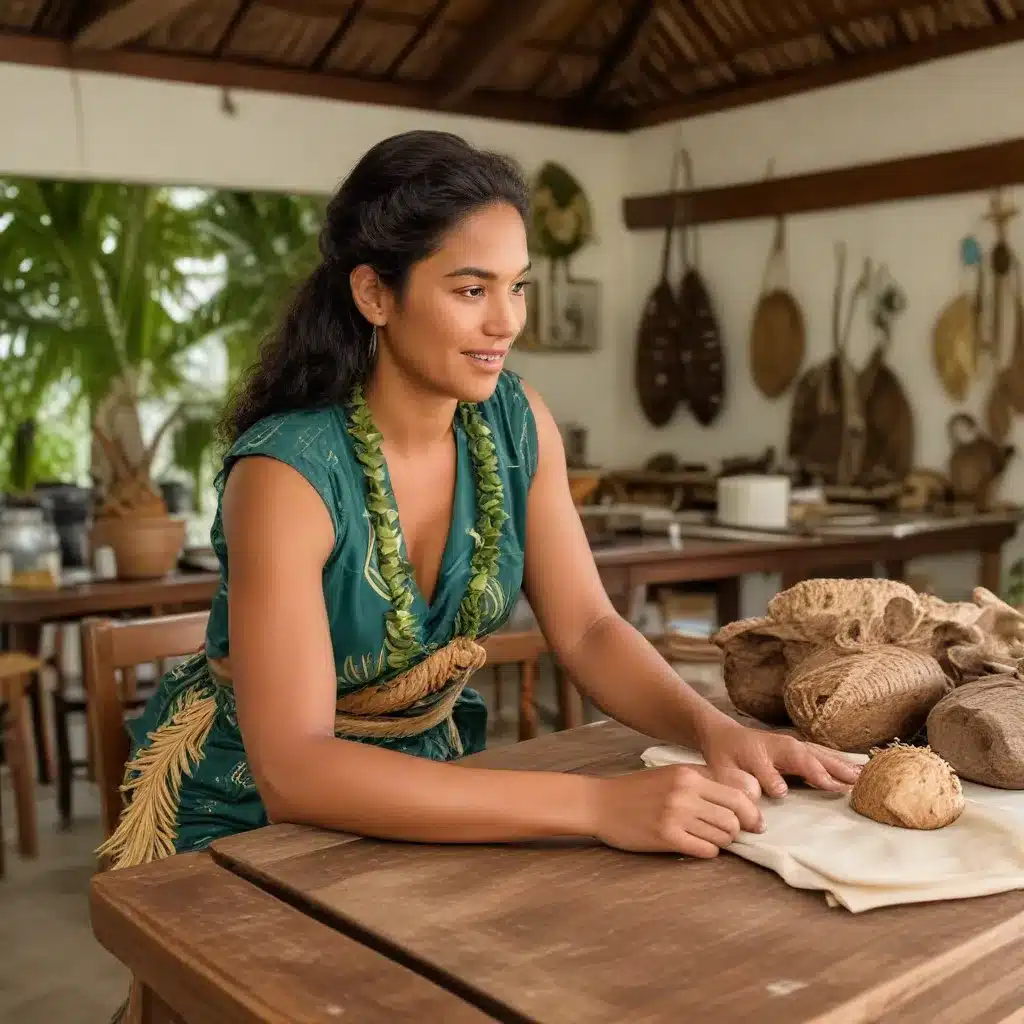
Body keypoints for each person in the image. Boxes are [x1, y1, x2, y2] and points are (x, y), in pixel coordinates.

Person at [99, 129, 860, 881]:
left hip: (435, 788)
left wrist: (716, 731)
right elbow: (294, 771)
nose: (507, 322)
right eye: (472, 289)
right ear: (374, 293)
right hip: (246, 822)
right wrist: (598, 807)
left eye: (516, 285)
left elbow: (591, 629)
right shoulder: (285, 476)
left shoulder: (517, 423)